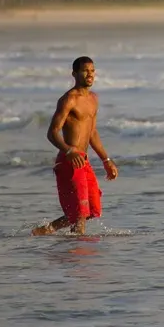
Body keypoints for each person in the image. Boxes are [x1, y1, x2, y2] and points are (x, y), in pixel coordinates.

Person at [32, 56, 119, 235]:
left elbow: (92, 132)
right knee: (80, 214)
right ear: (74, 73)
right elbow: (52, 132)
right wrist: (69, 150)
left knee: (91, 211)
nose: (90, 74)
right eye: (85, 71)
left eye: (92, 71)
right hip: (69, 160)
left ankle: (45, 231)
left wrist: (106, 160)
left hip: (84, 161)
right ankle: (78, 258)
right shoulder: (69, 99)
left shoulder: (94, 99)